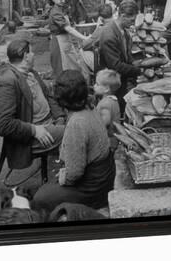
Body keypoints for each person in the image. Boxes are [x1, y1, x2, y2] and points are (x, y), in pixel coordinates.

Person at [33, 70, 116, 212]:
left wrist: (64, 176)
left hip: (94, 187)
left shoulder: (77, 123)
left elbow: (75, 174)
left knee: (40, 199)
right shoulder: (89, 104)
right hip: (106, 173)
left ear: (60, 98)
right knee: (48, 187)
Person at [0, 38, 66, 171]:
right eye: (32, 53)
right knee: (74, 133)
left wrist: (60, 117)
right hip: (28, 138)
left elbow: (48, 96)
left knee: (78, 117)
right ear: (26, 56)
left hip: (50, 122)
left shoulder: (31, 72)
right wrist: (34, 130)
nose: (34, 55)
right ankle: (74, 180)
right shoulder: (7, 81)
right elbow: (3, 125)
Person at [99, 0, 142, 115]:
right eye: (132, 20)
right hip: (111, 83)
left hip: (121, 79)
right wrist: (139, 70)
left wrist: (138, 63)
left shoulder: (124, 32)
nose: (133, 23)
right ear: (123, 16)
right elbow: (115, 65)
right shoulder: (109, 35)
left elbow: (127, 57)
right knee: (118, 113)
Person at [48, 0, 90, 81]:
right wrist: (85, 38)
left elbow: (71, 26)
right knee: (62, 69)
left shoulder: (62, 9)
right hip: (59, 42)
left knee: (73, 65)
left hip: (66, 40)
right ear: (53, 0)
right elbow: (68, 29)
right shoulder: (55, 12)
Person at [94, 69, 122, 151]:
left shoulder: (105, 104)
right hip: (114, 140)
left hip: (108, 142)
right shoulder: (114, 100)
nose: (94, 86)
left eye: (97, 84)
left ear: (106, 89)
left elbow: (103, 125)